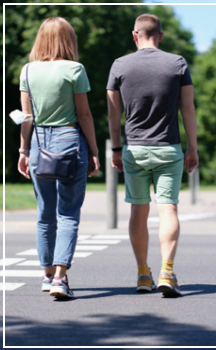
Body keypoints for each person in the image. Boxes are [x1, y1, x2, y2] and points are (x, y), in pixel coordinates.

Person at [107, 14, 198, 296]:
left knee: (138, 210)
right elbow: (188, 109)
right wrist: (192, 148)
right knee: (168, 208)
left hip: (134, 149)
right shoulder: (177, 63)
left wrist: (116, 148)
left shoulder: (120, 65)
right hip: (168, 148)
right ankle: (167, 271)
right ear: (160, 35)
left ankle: (143, 274)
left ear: (135, 35)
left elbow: (113, 111)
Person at [17, 17, 100, 298]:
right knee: (68, 213)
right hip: (70, 144)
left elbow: (26, 118)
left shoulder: (27, 71)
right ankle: (61, 279)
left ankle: (46, 274)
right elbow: (84, 114)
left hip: (39, 145)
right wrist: (95, 150)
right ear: (69, 40)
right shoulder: (75, 70)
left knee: (44, 214)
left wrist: (23, 151)